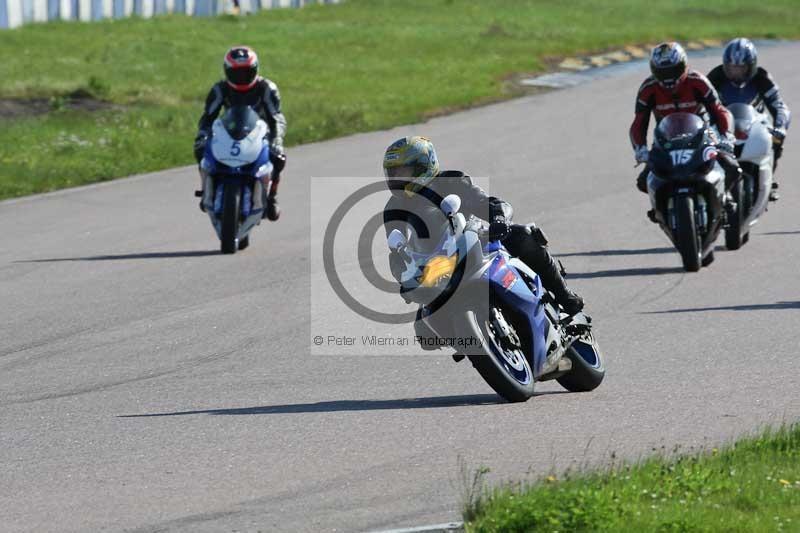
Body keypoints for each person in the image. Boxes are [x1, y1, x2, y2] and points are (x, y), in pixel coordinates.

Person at [382, 136, 584, 334]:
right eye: (393, 174)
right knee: (424, 327)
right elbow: (397, 249)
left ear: (422, 166)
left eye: (403, 172)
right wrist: (404, 277)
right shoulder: (394, 207)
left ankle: (563, 295)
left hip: (475, 239)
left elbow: (489, 203)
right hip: (436, 264)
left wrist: (499, 219)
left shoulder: (451, 181)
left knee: (522, 235)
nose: (397, 179)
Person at [630, 42, 741, 198]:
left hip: (703, 134)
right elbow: (639, 123)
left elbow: (720, 111)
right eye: (663, 73)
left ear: (684, 65)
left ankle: (726, 200)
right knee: (644, 182)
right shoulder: (648, 89)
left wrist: (726, 137)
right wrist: (640, 150)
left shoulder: (698, 81)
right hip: (666, 139)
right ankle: (662, 211)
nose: (669, 78)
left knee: (731, 168)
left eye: (673, 71)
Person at [194, 46, 287, 220]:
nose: (242, 78)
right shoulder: (220, 89)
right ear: (227, 72)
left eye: (247, 72)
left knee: (279, 158)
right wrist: (202, 135)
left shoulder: (267, 88)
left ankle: (272, 197)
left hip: (259, 135)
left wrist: (277, 139)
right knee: (201, 150)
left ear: (256, 69)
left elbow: (276, 117)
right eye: (237, 73)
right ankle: (208, 188)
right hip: (230, 131)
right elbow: (208, 116)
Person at [708, 38, 791, 201]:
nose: (736, 72)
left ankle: (769, 178)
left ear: (751, 66)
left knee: (776, 139)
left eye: (741, 68)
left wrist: (780, 127)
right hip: (722, 127)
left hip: (756, 125)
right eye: (732, 67)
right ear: (725, 65)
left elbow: (780, 106)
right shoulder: (715, 77)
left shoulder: (762, 78)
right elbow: (701, 104)